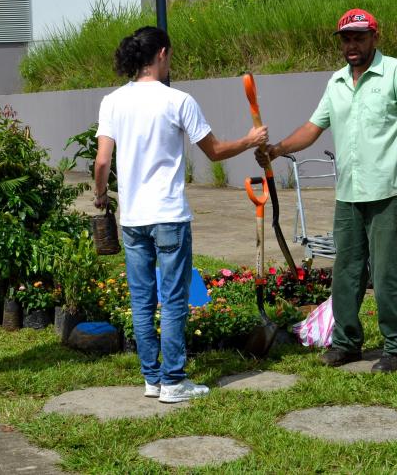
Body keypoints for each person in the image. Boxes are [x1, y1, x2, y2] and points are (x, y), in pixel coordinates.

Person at [93, 26, 268, 403]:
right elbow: (216, 151)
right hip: (169, 215)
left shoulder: (112, 101)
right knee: (172, 300)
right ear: (161, 54)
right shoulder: (178, 101)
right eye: (170, 56)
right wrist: (251, 140)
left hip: (133, 218)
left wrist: (99, 195)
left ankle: (152, 380)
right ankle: (173, 381)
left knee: (141, 301)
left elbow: (103, 160)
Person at [255, 9, 397, 373]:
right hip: (348, 194)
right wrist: (277, 149)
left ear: (374, 37)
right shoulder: (336, 81)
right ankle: (347, 343)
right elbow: (312, 127)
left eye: (359, 37)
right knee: (347, 272)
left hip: (388, 192)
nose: (352, 45)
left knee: (386, 273)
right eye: (346, 39)